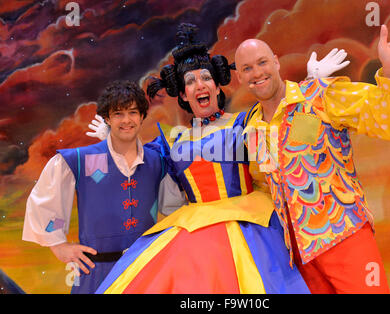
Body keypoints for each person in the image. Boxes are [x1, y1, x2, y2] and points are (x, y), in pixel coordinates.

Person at [94, 23, 350, 294]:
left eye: (205, 78)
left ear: (216, 86)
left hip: (253, 228)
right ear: (183, 94)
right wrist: (113, 140)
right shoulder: (172, 140)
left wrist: (309, 89)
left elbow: (298, 141)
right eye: (190, 82)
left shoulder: (246, 122)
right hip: (192, 234)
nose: (199, 85)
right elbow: (134, 164)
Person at [235, 11, 390, 293]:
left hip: (345, 237)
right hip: (300, 257)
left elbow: (383, 113)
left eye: (262, 62)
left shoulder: (321, 96)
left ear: (276, 63)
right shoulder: (253, 129)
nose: (257, 73)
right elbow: (269, 185)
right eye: (247, 69)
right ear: (239, 78)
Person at [22, 80, 170, 293]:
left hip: (144, 273)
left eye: (133, 112)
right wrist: (58, 245)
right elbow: (48, 203)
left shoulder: (157, 162)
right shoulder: (84, 159)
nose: (127, 120)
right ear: (107, 118)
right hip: (95, 274)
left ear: (142, 116)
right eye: (118, 113)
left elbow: (173, 206)